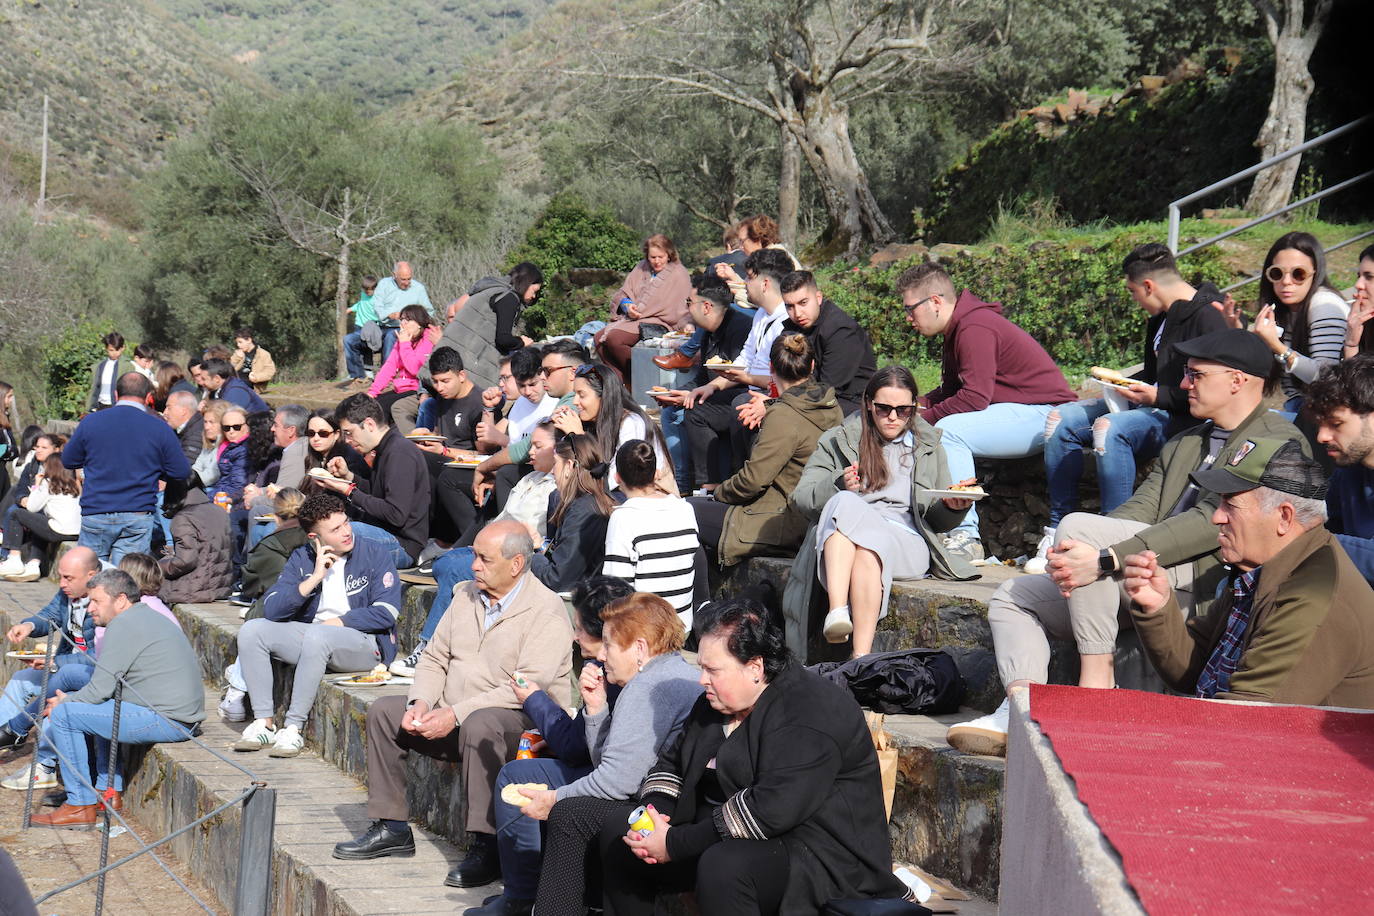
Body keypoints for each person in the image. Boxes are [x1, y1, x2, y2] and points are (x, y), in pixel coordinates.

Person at [948, 329, 1309, 757]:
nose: (1185, 384)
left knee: (1083, 535)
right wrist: (1084, 556)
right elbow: (1138, 510)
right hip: (1148, 571)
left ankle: (1097, 684)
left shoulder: (1275, 441)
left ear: (1237, 379)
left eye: (1196, 374)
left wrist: (1105, 556)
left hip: (1205, 578)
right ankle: (1021, 709)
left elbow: (1208, 525)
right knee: (1014, 595)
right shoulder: (1185, 441)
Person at [570, 595, 913, 916]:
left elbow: (770, 810)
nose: (702, 680)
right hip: (725, 833)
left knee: (726, 866)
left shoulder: (811, 710)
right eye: (701, 666)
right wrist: (654, 817)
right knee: (622, 832)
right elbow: (672, 764)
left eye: (713, 670)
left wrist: (674, 843)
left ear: (755, 667)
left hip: (816, 851)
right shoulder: (715, 701)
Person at [331, 520, 574, 895]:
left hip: (520, 727)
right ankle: (391, 826)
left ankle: (488, 844)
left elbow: (524, 690)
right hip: (455, 714)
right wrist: (421, 704)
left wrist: (454, 714)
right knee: (384, 711)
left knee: (481, 723)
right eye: (474, 555)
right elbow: (433, 658)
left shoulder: (546, 610)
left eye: (484, 559)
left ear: (516, 564)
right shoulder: (465, 595)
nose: (473, 565)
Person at [480, 592, 702, 916]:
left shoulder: (647, 688)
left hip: (662, 812)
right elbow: (612, 767)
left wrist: (554, 798)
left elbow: (615, 784)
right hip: (664, 802)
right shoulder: (672, 671)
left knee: (569, 813)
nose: (604, 656)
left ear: (639, 648)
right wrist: (596, 709)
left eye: (610, 645)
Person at [1124, 438, 1374, 707]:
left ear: (1284, 518)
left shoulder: (1312, 598)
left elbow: (1250, 718)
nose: (1216, 518)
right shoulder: (1262, 570)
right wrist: (1158, 608)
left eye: (1230, 506)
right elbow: (1193, 672)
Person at [1038, 243, 1230, 569]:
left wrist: (1158, 397)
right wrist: (1118, 385)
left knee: (1109, 429)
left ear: (1148, 286)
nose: (1133, 300)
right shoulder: (1159, 319)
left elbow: (1217, 393)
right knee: (1060, 419)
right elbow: (1155, 375)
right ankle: (1058, 527)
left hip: (1181, 417)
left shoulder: (1209, 317)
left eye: (1132, 291)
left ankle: (1113, 536)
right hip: (1150, 406)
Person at [787, 367, 979, 657]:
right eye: (884, 408)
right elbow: (802, 497)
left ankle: (838, 611)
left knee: (850, 514)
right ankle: (859, 655)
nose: (893, 417)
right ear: (868, 404)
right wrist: (837, 484)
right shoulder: (839, 439)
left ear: (914, 407)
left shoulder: (928, 445)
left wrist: (953, 508)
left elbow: (935, 520)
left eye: (903, 410)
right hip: (854, 540)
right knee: (847, 509)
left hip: (907, 542)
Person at [896, 262, 1075, 561]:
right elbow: (952, 391)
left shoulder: (973, 327)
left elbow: (974, 399)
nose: (908, 318)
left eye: (911, 309)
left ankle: (965, 536)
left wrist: (920, 419)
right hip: (1020, 412)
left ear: (936, 302)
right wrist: (911, 406)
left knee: (949, 431)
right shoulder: (960, 327)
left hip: (1049, 416)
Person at [30, 569, 204, 829]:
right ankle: (106, 794)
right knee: (89, 707)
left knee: (67, 716)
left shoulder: (124, 625)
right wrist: (74, 699)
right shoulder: (142, 618)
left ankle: (79, 805)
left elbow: (100, 688)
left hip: (168, 719)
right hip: (170, 713)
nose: (90, 609)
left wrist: (64, 703)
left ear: (121, 600)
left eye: (97, 601)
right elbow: (105, 689)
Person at [233, 492, 401, 758]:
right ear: (315, 537)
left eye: (346, 522)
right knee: (253, 630)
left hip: (364, 645)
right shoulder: (302, 558)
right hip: (314, 640)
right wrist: (314, 579)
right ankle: (263, 722)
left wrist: (339, 622)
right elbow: (273, 609)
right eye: (336, 529)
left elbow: (387, 612)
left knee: (318, 635)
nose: (347, 532)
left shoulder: (374, 553)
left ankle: (293, 728)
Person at [395, 421, 564, 674]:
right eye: (530, 445)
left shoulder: (558, 488)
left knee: (453, 571)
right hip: (493, 545)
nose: (530, 451)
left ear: (557, 450)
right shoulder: (529, 478)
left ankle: (427, 650)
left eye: (538, 446)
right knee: (444, 562)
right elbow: (502, 517)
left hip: (515, 555)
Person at [690, 332, 842, 568]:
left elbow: (753, 481)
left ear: (771, 367)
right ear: (812, 366)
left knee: (683, 512)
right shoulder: (830, 404)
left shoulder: (783, 416)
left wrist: (719, 492)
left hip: (780, 521)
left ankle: (700, 600)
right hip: (810, 517)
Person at [683, 249, 797, 489]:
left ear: (764, 283)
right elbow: (745, 358)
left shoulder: (785, 322)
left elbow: (784, 379)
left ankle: (740, 481)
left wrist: (743, 376)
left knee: (740, 404)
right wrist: (712, 385)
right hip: (751, 387)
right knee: (698, 408)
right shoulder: (761, 317)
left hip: (773, 396)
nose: (744, 284)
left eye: (748, 278)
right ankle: (708, 485)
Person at [62, 372, 191, 563]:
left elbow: (69, 460)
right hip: (137, 513)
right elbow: (181, 471)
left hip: (96, 510)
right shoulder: (159, 427)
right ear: (148, 398)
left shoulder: (91, 422)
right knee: (128, 579)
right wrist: (156, 470)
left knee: (89, 577)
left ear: (116, 394)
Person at [651, 275, 753, 493]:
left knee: (694, 411)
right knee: (671, 411)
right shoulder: (709, 330)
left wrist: (693, 395)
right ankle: (682, 483)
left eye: (689, 302)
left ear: (706, 306)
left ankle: (707, 483)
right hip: (715, 393)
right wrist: (677, 393)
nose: (687, 309)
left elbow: (738, 376)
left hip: (741, 393)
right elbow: (702, 377)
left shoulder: (740, 327)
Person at [0, 547, 101, 756]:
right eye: (61, 577)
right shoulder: (70, 590)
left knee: (54, 711)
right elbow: (51, 614)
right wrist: (30, 626)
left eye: (68, 578)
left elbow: (96, 658)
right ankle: (6, 737)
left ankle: (43, 769)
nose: (62, 583)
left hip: (87, 678)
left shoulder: (103, 603)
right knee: (21, 680)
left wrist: (54, 663)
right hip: (62, 665)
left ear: (91, 576)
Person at [219, 488, 310, 721]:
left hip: (284, 614)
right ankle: (237, 687)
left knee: (258, 612)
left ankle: (236, 693)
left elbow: (250, 584)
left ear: (275, 514)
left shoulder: (270, 544)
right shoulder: (316, 537)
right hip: (314, 609)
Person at [312, 394, 430, 568]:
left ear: (369, 424)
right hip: (385, 534)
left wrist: (349, 491)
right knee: (323, 526)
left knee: (341, 532)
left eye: (349, 433)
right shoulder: (386, 448)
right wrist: (349, 478)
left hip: (403, 545)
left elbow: (396, 514)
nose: (347, 440)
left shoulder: (399, 452)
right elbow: (378, 492)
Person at [472, 339, 587, 511]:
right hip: (551, 476)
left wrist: (483, 467)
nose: (542, 377)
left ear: (573, 372)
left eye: (548, 371)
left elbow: (526, 449)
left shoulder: (569, 405)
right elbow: (485, 444)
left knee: (507, 474)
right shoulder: (561, 401)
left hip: (571, 486)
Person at [1248, 231, 1349, 411]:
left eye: (1298, 274)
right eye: (1277, 273)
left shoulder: (1325, 305)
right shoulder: (1281, 310)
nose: (1287, 281)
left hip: (1333, 408)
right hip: (1302, 405)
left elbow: (1326, 376)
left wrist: (1278, 347)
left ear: (1315, 274)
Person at [603, 441, 699, 623]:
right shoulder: (685, 509)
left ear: (617, 478)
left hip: (646, 628)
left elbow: (616, 587)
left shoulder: (623, 517)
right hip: (681, 625)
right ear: (656, 474)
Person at [551, 363, 674, 493]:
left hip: (645, 499)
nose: (575, 402)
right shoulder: (591, 423)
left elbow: (613, 481)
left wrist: (579, 437)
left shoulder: (630, 423)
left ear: (604, 396)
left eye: (581, 395)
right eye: (574, 394)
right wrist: (561, 433)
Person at [410, 347, 489, 548]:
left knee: (425, 463)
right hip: (444, 459)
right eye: (435, 382)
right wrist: (429, 436)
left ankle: (444, 541)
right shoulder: (443, 400)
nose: (440, 387)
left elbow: (483, 453)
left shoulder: (478, 403)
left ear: (461, 375)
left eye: (445, 381)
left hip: (467, 467)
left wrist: (444, 451)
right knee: (412, 454)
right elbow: (444, 434)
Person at [1306, 356, 1374, 582]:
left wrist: (1299, 544)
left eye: (1336, 424)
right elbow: (1322, 523)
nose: (1322, 436)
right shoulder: (1349, 471)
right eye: (1320, 424)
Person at [433, 263, 544, 394]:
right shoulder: (509, 297)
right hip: (473, 366)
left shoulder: (490, 290)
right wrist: (521, 342)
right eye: (534, 291)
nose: (534, 297)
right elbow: (503, 339)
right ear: (526, 283)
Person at [594, 235, 693, 380]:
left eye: (661, 257)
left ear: (669, 254)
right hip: (632, 319)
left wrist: (688, 324)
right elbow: (624, 292)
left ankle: (645, 373)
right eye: (653, 257)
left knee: (614, 339)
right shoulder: (642, 267)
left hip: (659, 320)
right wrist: (627, 306)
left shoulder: (679, 273)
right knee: (598, 339)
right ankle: (620, 382)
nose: (657, 261)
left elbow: (683, 306)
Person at [778, 270, 876, 414]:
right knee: (743, 403)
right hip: (810, 396)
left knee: (779, 416)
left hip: (851, 403)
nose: (797, 313)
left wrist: (777, 405)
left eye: (803, 303)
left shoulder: (841, 330)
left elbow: (827, 389)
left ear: (818, 298)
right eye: (790, 306)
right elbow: (784, 373)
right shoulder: (791, 328)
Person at [0, 453, 81, 581]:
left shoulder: (48, 484)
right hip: (75, 532)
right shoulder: (73, 485)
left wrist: (36, 485)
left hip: (59, 530)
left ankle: (14, 559)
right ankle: (33, 564)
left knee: (16, 514)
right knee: (40, 523)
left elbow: (32, 507)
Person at [158, 478, 234, 605]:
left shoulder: (183, 518)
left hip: (193, 590)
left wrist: (158, 567)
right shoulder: (220, 511)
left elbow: (185, 561)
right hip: (222, 588)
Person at [368, 304, 436, 421]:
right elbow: (389, 367)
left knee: (382, 408)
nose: (403, 323)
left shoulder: (429, 339)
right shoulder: (403, 340)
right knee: (372, 405)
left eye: (408, 320)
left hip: (417, 389)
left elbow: (416, 369)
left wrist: (405, 344)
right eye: (402, 319)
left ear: (420, 323)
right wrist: (372, 392)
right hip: (401, 388)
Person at [373, 261, 436, 362]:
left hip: (406, 329)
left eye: (409, 279)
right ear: (394, 275)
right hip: (383, 325)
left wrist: (413, 319)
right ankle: (359, 374)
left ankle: (389, 370)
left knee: (391, 336)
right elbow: (377, 306)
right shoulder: (384, 284)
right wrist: (388, 315)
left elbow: (429, 312)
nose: (406, 283)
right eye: (403, 279)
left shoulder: (418, 288)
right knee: (350, 340)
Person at [301, 408, 370, 488]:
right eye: (311, 433)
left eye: (323, 433)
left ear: (337, 434)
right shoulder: (313, 457)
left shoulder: (349, 460)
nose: (316, 438)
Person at [344, 274, 383, 382]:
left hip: (370, 328)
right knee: (358, 348)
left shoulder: (377, 299)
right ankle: (356, 373)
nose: (368, 292)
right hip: (359, 325)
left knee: (367, 349)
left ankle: (367, 371)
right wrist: (351, 309)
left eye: (370, 290)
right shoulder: (363, 294)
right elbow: (361, 304)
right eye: (366, 290)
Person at [201, 357, 270, 414]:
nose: (201, 383)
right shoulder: (219, 390)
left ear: (217, 378)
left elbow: (228, 417)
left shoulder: (235, 391)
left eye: (204, 379)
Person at [1341, 243, 1374, 359]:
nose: (1358, 285)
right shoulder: (1363, 324)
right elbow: (1349, 377)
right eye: (1359, 276)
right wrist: (1351, 344)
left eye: (1369, 277)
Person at [88, 332, 132, 411]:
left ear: (123, 348)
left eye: (117, 350)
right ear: (106, 348)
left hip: (117, 404)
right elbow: (94, 387)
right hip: (100, 404)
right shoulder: (99, 366)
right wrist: (90, 406)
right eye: (111, 350)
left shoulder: (127, 366)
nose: (114, 353)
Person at [191, 400, 229, 491]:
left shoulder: (225, 446)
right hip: (200, 486)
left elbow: (211, 476)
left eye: (212, 422)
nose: (207, 427)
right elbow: (197, 467)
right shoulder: (209, 442)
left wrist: (186, 483)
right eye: (205, 422)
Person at [161, 389, 205, 466]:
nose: (165, 413)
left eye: (169, 408)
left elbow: (184, 467)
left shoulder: (196, 434)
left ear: (183, 411)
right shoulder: (185, 429)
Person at [230, 327, 277, 392]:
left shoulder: (263, 354)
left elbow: (270, 371)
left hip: (252, 385)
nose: (238, 345)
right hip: (236, 381)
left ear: (249, 340)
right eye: (237, 343)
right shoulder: (237, 354)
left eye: (240, 342)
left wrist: (256, 377)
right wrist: (237, 358)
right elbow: (228, 369)